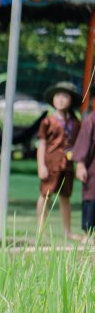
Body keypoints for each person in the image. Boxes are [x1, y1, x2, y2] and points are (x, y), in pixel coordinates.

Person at [37, 81, 82, 239]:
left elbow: (78, 144)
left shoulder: (76, 122)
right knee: (45, 195)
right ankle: (40, 231)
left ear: (71, 100)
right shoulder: (48, 121)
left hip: (67, 165)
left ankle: (67, 231)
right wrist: (41, 165)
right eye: (58, 96)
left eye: (65, 96)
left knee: (65, 197)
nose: (61, 99)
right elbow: (41, 143)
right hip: (51, 164)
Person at [72, 97, 95, 238]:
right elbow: (84, 142)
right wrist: (80, 164)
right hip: (93, 170)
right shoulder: (90, 120)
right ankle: (88, 236)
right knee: (91, 199)